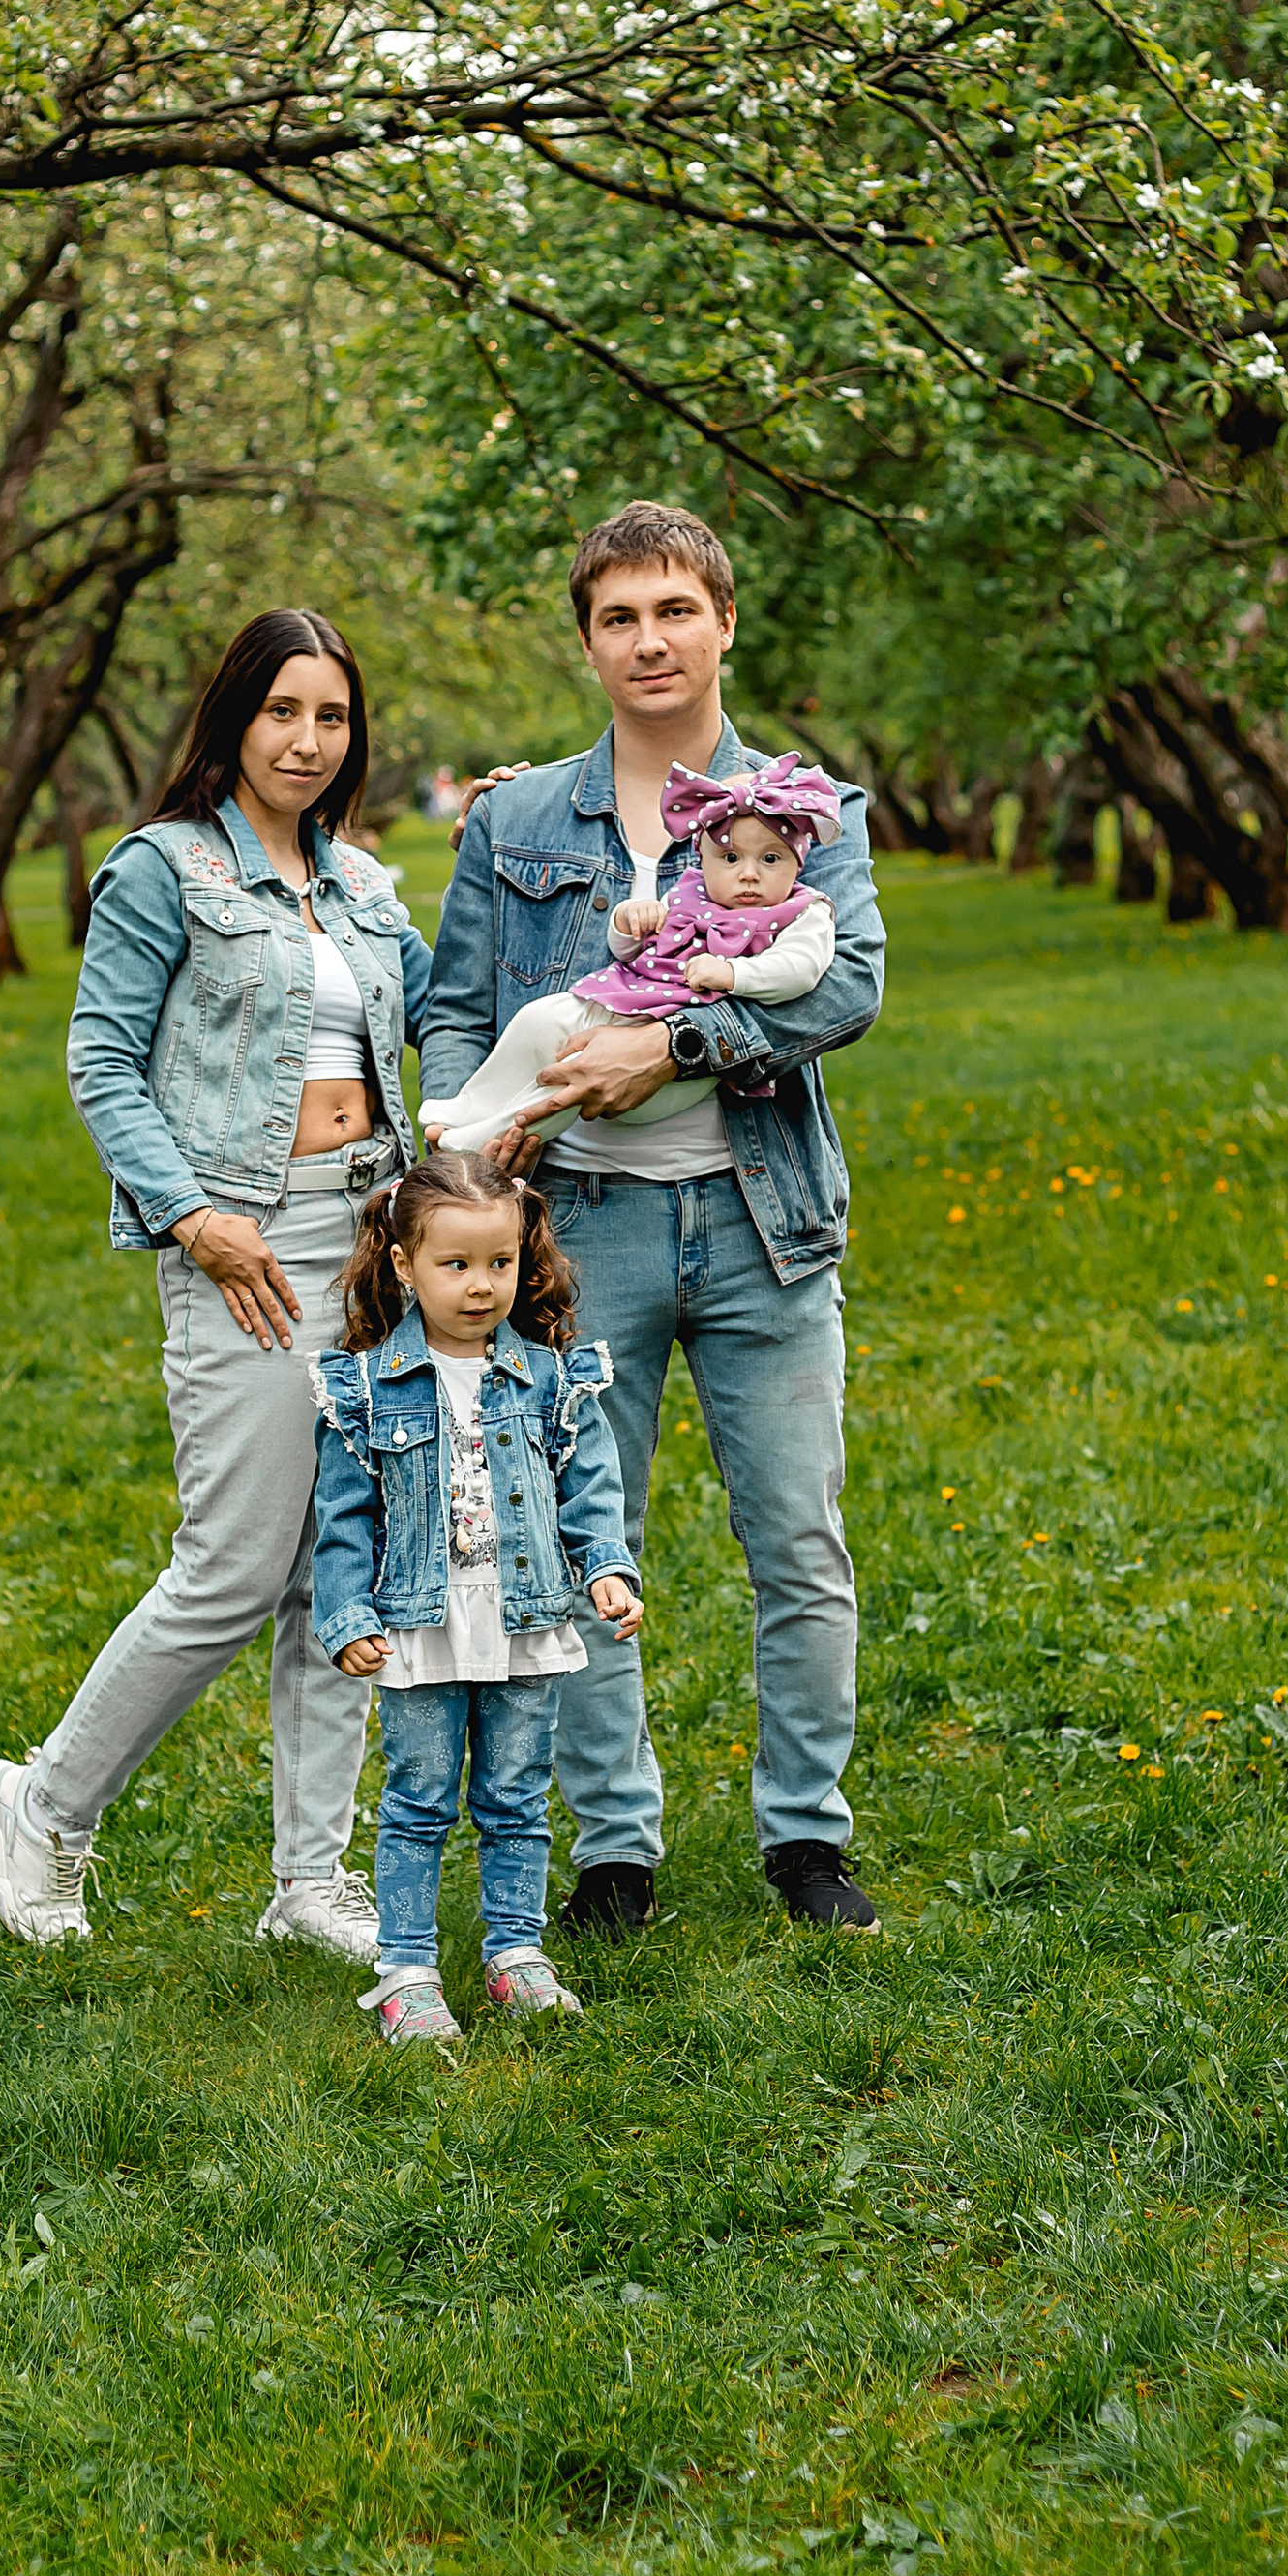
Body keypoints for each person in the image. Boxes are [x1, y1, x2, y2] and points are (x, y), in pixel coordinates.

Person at [422, 502, 886, 1939]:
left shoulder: (815, 810)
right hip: (584, 1234)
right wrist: (474, 1167)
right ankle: (614, 1848)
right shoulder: (513, 818)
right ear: (587, 642)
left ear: (724, 623)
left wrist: (673, 1052)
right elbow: (453, 1010)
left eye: (674, 610)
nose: (649, 641)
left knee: (796, 1541)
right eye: (619, 617)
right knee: (581, 1541)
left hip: (762, 1224)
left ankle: (807, 1839)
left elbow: (846, 983)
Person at [0, 608, 431, 1956]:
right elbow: (101, 1059)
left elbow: (434, 1030)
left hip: (372, 1243)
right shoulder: (162, 871)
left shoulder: (368, 888)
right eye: (282, 710)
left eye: (331, 717)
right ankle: (45, 1808)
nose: (306, 739)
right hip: (247, 1247)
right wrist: (189, 1219)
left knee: (341, 1566)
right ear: (232, 717)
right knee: (231, 1568)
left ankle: (310, 1884)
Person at [310, 1151, 642, 2045]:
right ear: (402, 1265)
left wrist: (604, 1567)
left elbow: (589, 1485)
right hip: (421, 1624)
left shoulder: (553, 1378)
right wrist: (348, 1617)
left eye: (499, 1263)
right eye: (455, 1266)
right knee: (419, 1796)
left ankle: (514, 1951)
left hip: (524, 1616)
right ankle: (406, 1970)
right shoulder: (366, 1389)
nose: (481, 1286)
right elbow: (343, 1518)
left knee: (516, 1796)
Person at [424, 753, 843, 1152]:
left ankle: (488, 1138)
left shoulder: (802, 910)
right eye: (730, 857)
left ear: (798, 861)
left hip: (681, 1068)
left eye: (771, 859)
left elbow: (802, 969)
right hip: (625, 1000)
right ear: (704, 858)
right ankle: (473, 1104)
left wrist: (734, 974)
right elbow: (632, 947)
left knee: (567, 1083)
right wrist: (629, 921)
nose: (749, 874)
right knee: (536, 1020)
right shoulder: (693, 892)